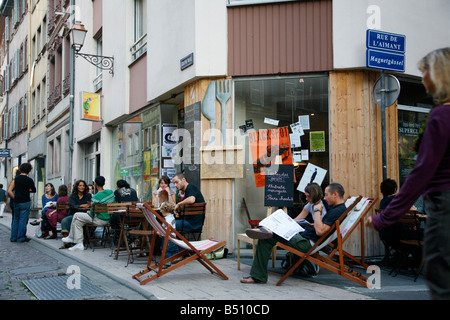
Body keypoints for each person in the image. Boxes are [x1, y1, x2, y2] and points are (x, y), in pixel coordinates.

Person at [367, 47, 450, 300]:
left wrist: (384, 218)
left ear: (438, 75)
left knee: (442, 280)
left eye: (424, 72)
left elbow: (420, 174)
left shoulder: (441, 115)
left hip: (444, 207)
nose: (423, 79)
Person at [240, 183, 347, 284]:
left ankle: (266, 229)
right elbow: (323, 227)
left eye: (327, 195)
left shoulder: (337, 211)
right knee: (266, 239)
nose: (324, 198)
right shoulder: (336, 209)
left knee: (270, 234)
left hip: (306, 243)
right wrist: (314, 223)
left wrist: (317, 211)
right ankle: (258, 276)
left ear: (335, 194)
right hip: (304, 237)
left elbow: (320, 231)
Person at [62, 176, 116, 251]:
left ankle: (71, 237)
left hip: (99, 220)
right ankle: (79, 244)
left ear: (95, 184)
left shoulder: (95, 197)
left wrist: (88, 212)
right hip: (108, 219)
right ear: (104, 183)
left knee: (76, 215)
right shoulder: (110, 192)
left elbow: (92, 214)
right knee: (78, 221)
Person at [8, 163, 37, 243]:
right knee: (23, 220)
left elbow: (9, 191)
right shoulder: (29, 180)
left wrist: (15, 197)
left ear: (20, 169)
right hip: (25, 201)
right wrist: (27, 190)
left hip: (17, 201)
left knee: (15, 219)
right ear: (29, 170)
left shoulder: (16, 179)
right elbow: (34, 190)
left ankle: (13, 237)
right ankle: (20, 237)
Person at [60, 180, 92, 245]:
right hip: (73, 214)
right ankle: (67, 242)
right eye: (80, 185)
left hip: (84, 215)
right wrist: (81, 205)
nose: (82, 187)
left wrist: (82, 206)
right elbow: (72, 206)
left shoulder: (88, 195)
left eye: (83, 185)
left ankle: (83, 239)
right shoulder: (73, 196)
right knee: (65, 221)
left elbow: (89, 205)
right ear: (77, 187)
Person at [159, 201, 181, 266]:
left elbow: (167, 229)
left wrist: (160, 233)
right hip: (172, 237)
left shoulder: (167, 219)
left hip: (168, 237)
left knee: (166, 250)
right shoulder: (171, 217)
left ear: (164, 211)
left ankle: (167, 263)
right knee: (172, 249)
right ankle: (178, 256)